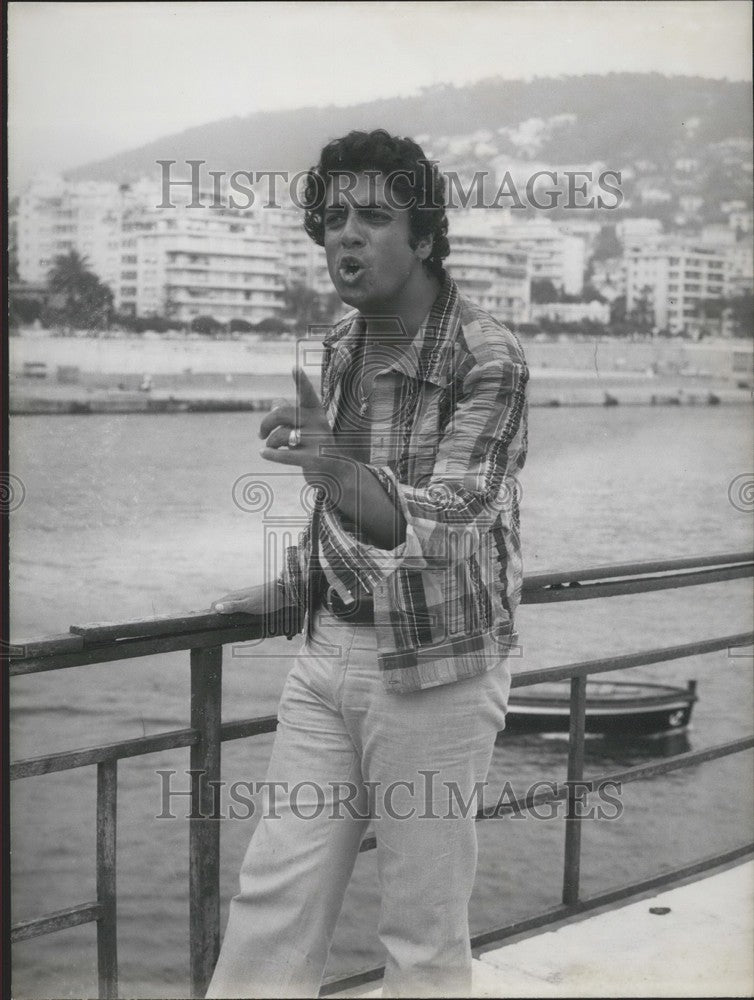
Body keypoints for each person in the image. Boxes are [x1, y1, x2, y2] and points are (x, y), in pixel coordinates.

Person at [207, 129, 529, 998]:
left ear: (424, 236)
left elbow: (450, 522)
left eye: (375, 217)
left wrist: (330, 463)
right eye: (335, 215)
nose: (346, 234)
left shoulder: (486, 358)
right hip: (326, 655)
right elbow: (340, 508)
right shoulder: (345, 340)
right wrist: (296, 580)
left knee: (422, 934)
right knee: (273, 901)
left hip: (436, 670)